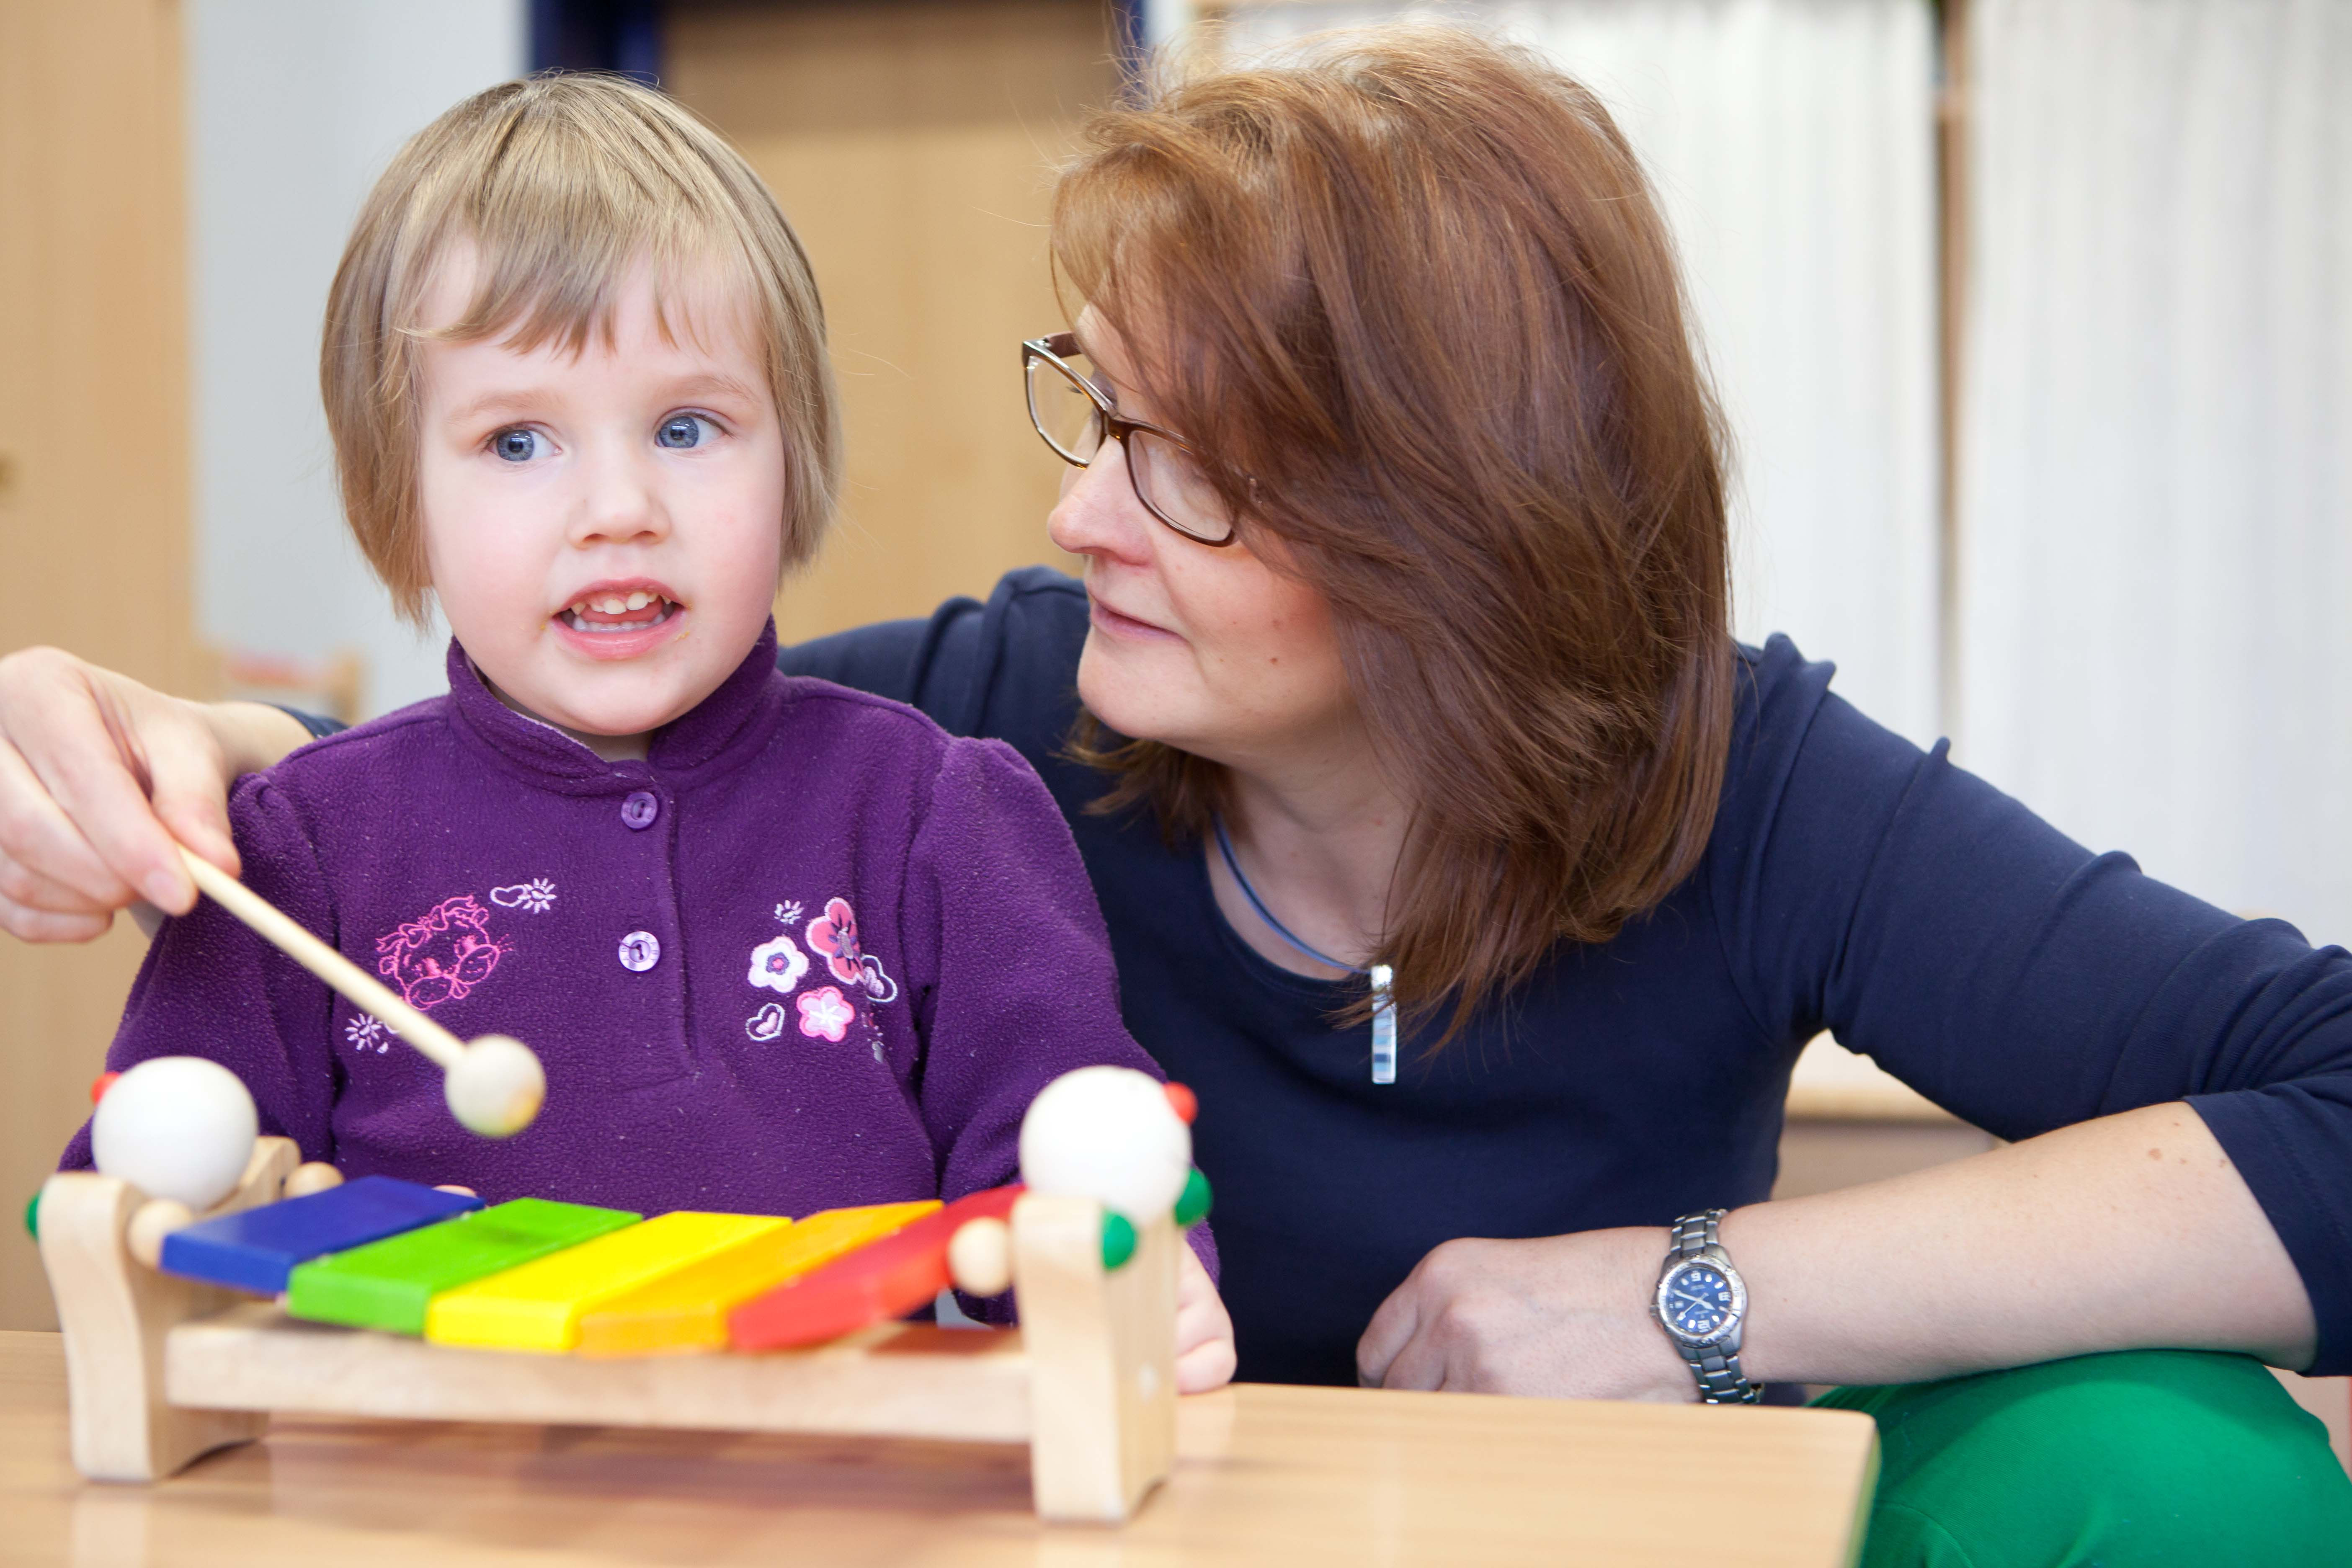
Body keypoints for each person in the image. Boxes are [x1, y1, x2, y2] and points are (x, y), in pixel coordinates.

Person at [5, 27, 2347, 1561]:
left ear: (1454, 528)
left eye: (1182, 469)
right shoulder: (988, 725)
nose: (1076, 520)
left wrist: (1692, 1296)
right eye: (1088, 413)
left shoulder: (1752, 783)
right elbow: (524, 795)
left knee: (2178, 1471)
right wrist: (201, 759)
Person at [34, 75, 1234, 1389]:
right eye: (516, 443)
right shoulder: (294, 858)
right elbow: (151, 1203)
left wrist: (1132, 1283)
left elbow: (1067, 1155)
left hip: (852, 1496)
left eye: (685, 426)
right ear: (400, 498)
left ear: (796, 458)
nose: (618, 506)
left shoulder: (938, 813)